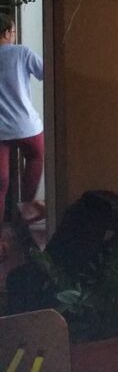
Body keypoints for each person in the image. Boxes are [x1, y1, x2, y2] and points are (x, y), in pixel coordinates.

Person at [0, 12, 45, 225]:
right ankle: (27, 209)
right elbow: (47, 71)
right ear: (7, 32)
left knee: (1, 183)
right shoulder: (22, 53)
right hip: (25, 125)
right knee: (36, 157)